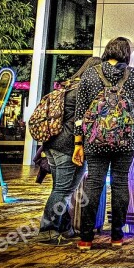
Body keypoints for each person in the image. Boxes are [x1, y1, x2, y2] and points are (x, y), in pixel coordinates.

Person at [73, 37, 134, 251]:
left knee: (94, 184)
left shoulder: (90, 74)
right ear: (126, 53)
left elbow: (81, 112)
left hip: (95, 141)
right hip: (126, 142)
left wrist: (78, 142)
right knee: (120, 183)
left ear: (107, 51)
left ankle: (86, 238)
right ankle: (117, 236)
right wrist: (129, 132)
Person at [38, 56, 101, 245]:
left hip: (52, 144)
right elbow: (81, 123)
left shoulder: (67, 87)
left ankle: (64, 227)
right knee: (64, 189)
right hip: (68, 146)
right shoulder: (85, 91)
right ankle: (47, 230)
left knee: (61, 188)